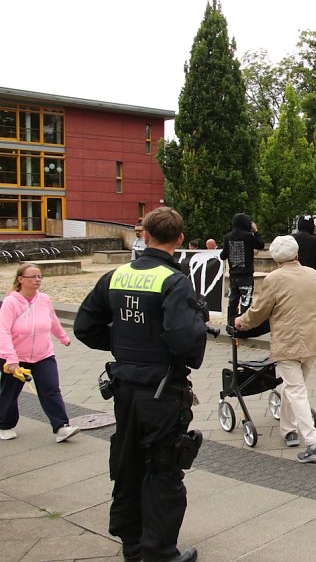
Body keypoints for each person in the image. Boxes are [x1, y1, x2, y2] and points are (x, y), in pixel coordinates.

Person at [74, 207, 208, 562]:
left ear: (143, 236)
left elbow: (85, 328)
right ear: (179, 240)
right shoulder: (175, 281)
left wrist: (122, 345)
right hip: (162, 391)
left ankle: (132, 544)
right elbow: (184, 341)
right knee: (164, 467)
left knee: (128, 463)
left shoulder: (114, 276)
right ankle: (160, 552)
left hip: (124, 389)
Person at [234, 235, 316, 463]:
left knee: (295, 390)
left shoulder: (274, 278)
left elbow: (259, 312)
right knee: (293, 385)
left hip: (287, 342)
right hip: (312, 339)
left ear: (276, 259)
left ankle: (313, 442)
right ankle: (289, 429)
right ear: (297, 254)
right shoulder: (312, 274)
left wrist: (240, 322)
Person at [0, 263, 79, 443]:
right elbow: (3, 331)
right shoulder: (11, 302)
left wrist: (63, 337)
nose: (37, 280)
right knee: (10, 392)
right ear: (21, 280)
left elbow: (52, 319)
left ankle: (61, 427)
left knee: (51, 389)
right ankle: (5, 425)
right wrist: (10, 358)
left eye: (39, 277)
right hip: (16, 357)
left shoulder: (43, 299)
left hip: (44, 354)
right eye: (33, 277)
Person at [220, 213, 264, 325]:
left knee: (232, 301)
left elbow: (222, 256)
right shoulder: (248, 236)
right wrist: (256, 231)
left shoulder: (227, 237)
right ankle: (243, 325)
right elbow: (261, 245)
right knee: (246, 302)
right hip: (246, 275)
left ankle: (231, 325)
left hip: (233, 276)